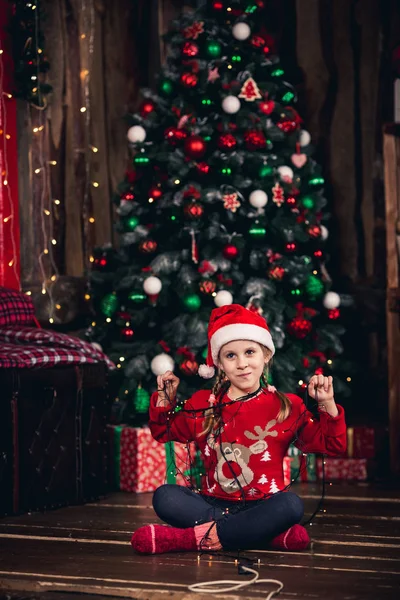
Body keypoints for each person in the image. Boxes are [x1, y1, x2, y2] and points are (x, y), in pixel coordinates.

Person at [131, 304, 347, 554]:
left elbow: (332, 445)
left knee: (291, 504)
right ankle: (258, 535)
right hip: (211, 504)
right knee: (165, 496)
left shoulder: (287, 406)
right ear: (219, 363)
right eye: (230, 355)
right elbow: (164, 432)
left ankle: (192, 539)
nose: (242, 363)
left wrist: (327, 404)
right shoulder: (203, 404)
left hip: (264, 505)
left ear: (265, 354)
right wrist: (164, 401)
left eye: (250, 352)